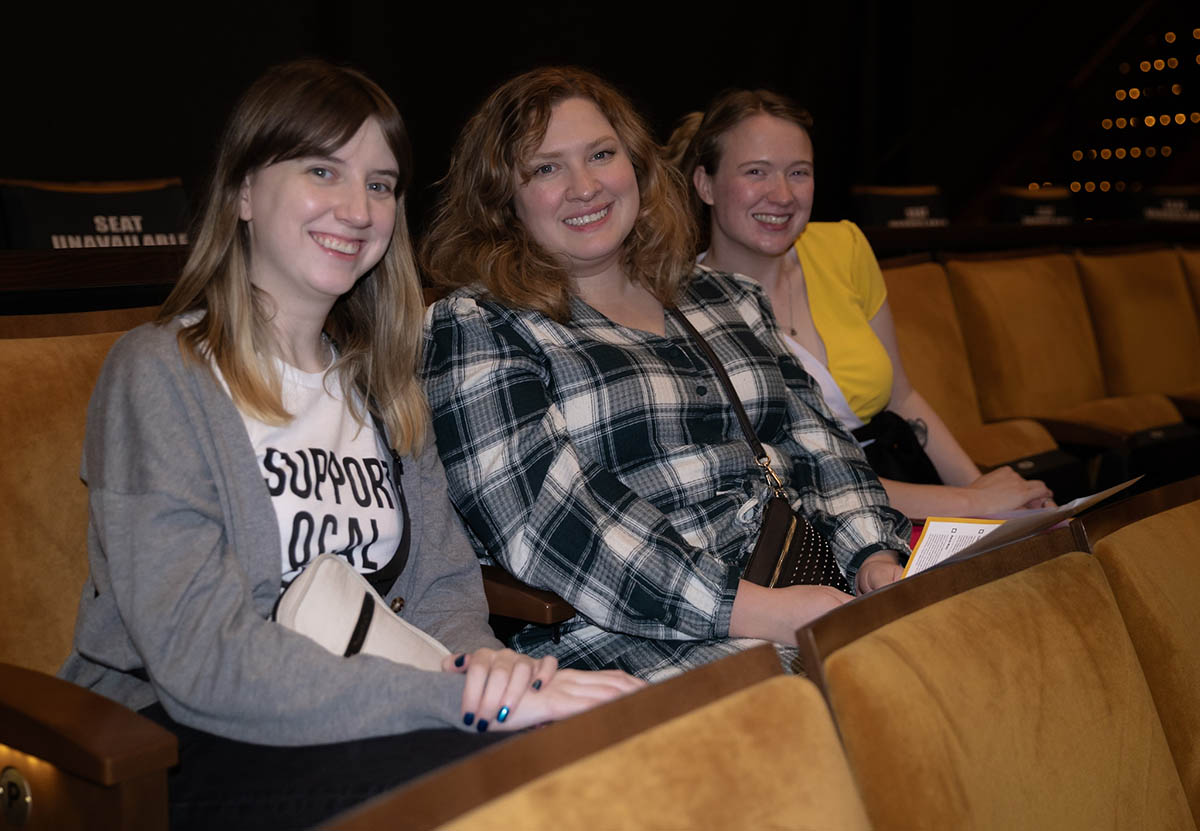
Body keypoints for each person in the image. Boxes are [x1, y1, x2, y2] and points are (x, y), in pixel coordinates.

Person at [59, 59, 641, 831]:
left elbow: (442, 593)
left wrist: (482, 659)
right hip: (171, 739)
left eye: (380, 183)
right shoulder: (160, 372)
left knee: (592, 750)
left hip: (371, 712)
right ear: (240, 191)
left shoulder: (384, 385)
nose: (357, 208)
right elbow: (202, 659)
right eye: (322, 170)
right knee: (499, 780)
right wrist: (461, 697)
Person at [421, 67, 910, 682]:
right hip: (632, 635)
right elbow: (547, 521)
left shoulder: (727, 297)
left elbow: (819, 445)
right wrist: (757, 611)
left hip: (808, 584)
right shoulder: (476, 325)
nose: (585, 186)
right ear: (503, 198)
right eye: (546, 168)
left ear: (638, 167)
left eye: (602, 154)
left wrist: (874, 558)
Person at [665, 90, 1054, 521]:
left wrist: (994, 494)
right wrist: (972, 503)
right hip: (818, 520)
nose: (782, 194)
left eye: (799, 172)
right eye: (756, 171)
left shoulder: (843, 247)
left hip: (909, 483)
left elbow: (903, 398)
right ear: (706, 185)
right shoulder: (684, 311)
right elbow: (796, 476)